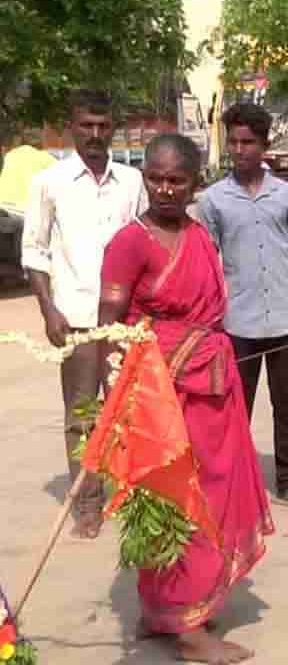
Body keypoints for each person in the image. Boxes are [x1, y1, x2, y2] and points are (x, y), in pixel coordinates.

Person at [99, 134, 273, 664]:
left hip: (212, 387)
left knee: (215, 493)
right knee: (175, 498)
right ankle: (186, 626)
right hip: (158, 390)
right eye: (155, 178)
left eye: (177, 180)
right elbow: (110, 323)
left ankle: (177, 608)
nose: (165, 189)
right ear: (144, 176)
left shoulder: (199, 236)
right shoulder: (130, 242)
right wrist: (121, 389)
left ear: (194, 183)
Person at [22, 88, 146, 539]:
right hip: (74, 319)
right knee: (81, 416)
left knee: (129, 411)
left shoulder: (132, 182)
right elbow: (33, 252)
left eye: (102, 126)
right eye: (86, 126)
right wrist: (48, 311)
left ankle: (131, 494)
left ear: (113, 129)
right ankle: (88, 503)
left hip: (125, 322)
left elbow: (147, 242)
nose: (94, 135)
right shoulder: (49, 183)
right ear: (72, 127)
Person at [198, 103, 288, 511]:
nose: (240, 150)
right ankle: (232, 486)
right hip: (237, 325)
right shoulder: (214, 200)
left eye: (248, 142)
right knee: (234, 410)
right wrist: (209, 323)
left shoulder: (285, 195)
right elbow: (206, 264)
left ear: (264, 145)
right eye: (234, 142)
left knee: (286, 406)